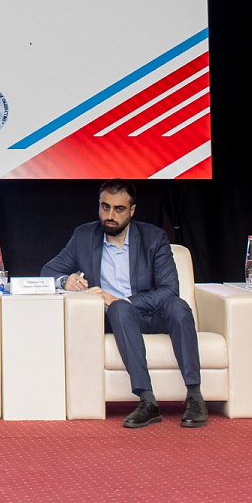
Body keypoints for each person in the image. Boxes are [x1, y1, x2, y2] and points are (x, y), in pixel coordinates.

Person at [41, 180, 207, 428]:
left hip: (154, 314)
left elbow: (169, 290)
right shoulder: (84, 236)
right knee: (119, 309)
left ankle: (195, 397)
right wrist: (65, 280)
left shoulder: (153, 238)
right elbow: (48, 271)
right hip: (119, 319)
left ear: (132, 210)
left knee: (177, 305)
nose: (110, 216)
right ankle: (147, 401)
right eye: (105, 207)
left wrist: (122, 300)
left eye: (119, 209)